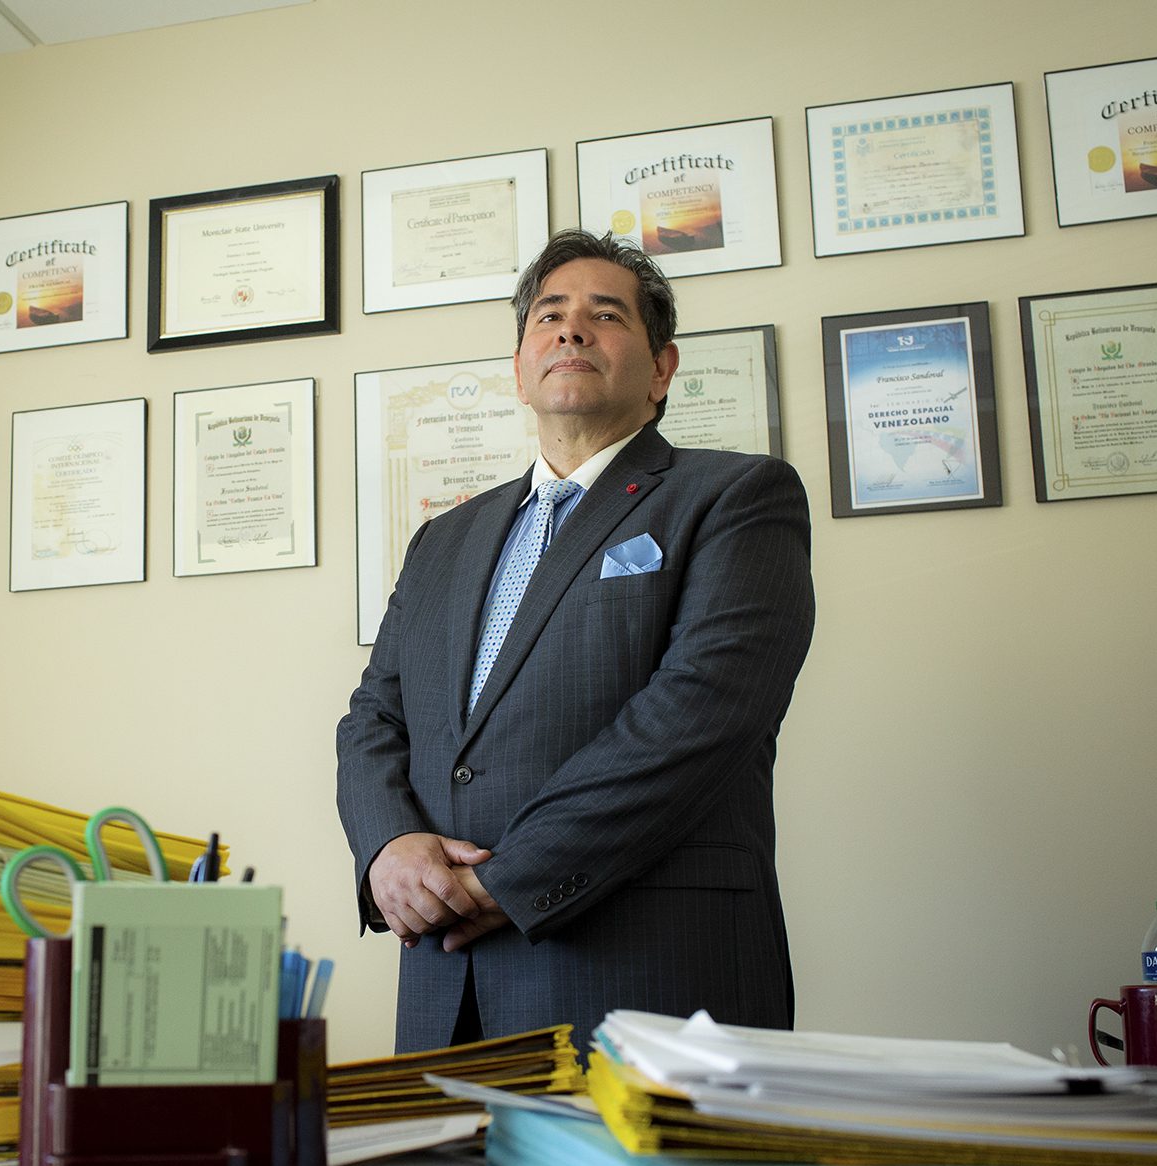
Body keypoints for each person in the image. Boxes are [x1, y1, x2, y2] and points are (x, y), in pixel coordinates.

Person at [336, 229, 815, 1052]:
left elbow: (695, 722)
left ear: (662, 368)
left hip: (649, 977)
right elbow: (374, 717)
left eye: (605, 314)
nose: (570, 330)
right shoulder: (443, 540)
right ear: (521, 369)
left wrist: (501, 879)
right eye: (548, 316)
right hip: (447, 989)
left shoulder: (736, 498)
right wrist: (389, 849)